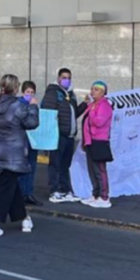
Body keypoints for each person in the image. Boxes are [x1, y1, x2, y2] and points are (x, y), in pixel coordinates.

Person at [0, 74, 39, 237]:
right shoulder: (19, 106)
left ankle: (24, 218)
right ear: (16, 87)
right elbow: (32, 123)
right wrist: (33, 107)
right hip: (15, 152)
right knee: (6, 185)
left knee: (10, 184)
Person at [41, 68, 86, 204]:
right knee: (55, 163)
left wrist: (85, 104)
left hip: (69, 135)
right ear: (59, 78)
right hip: (58, 135)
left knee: (65, 165)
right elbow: (48, 113)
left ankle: (65, 190)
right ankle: (54, 190)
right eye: (64, 77)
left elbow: (74, 114)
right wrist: (49, 134)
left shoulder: (71, 95)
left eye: (69, 77)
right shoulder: (53, 93)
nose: (67, 80)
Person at [81, 81, 114, 208]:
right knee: (92, 170)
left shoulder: (104, 105)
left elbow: (98, 122)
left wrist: (93, 112)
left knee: (100, 170)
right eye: (92, 89)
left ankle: (104, 197)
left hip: (99, 141)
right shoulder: (93, 104)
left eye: (96, 90)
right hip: (90, 141)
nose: (92, 92)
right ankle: (95, 195)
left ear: (103, 92)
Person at [17, 81, 43, 206]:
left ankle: (28, 192)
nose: (30, 94)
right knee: (23, 168)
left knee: (32, 167)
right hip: (23, 140)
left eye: (32, 92)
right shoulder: (19, 104)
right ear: (23, 92)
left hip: (33, 140)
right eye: (28, 92)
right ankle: (21, 193)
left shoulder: (34, 105)